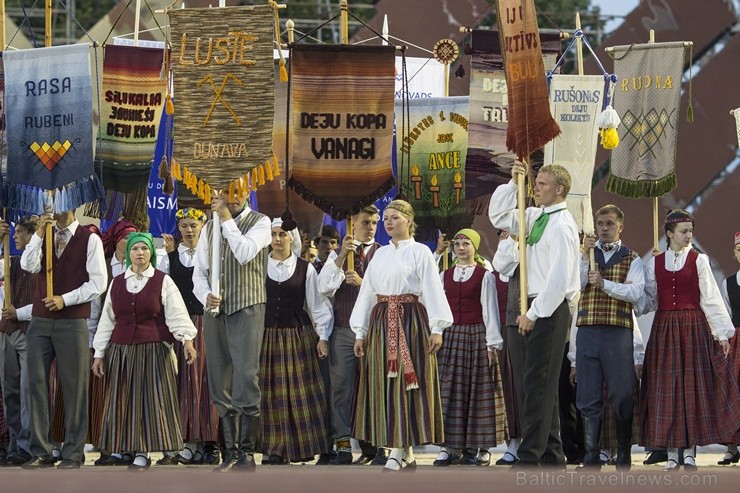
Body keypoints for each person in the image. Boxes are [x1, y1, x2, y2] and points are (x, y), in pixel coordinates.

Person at [488, 163, 580, 468]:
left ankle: (529, 456)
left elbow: (559, 279)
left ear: (559, 190)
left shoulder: (563, 225)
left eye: (541, 184)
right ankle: (553, 456)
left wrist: (534, 312)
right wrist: (515, 182)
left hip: (548, 311)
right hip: (531, 305)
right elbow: (499, 216)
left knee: (537, 385)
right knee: (537, 387)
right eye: (535, 183)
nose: (536, 188)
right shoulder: (533, 216)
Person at [350, 199, 452, 472]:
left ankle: (397, 448)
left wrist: (437, 328)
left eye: (394, 217)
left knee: (408, 385)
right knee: (386, 385)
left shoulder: (420, 252)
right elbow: (367, 293)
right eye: (386, 218)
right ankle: (402, 449)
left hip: (411, 322)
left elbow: (432, 289)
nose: (388, 222)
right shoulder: (380, 255)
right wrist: (360, 331)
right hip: (382, 322)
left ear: (408, 221)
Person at [639, 209, 740, 471]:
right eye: (683, 231)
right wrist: (627, 295)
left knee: (690, 389)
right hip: (664, 328)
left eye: (690, 231)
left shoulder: (699, 260)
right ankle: (672, 451)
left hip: (693, 328)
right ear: (669, 233)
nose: (688, 236)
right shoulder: (654, 263)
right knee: (667, 389)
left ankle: (689, 452)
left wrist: (722, 333)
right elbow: (649, 300)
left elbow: (710, 297)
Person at [92, 233, 197, 471]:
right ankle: (124, 447)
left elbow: (176, 314)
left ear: (151, 253)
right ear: (128, 253)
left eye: (145, 249)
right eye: (135, 249)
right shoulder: (117, 282)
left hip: (153, 351)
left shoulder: (162, 281)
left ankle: (143, 452)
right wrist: (99, 353)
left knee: (148, 402)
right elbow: (108, 320)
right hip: (121, 351)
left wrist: (187, 341)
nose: (140, 253)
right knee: (122, 400)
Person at [20, 208, 107, 469]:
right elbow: (28, 265)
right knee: (34, 384)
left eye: (59, 201)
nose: (53, 208)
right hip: (40, 321)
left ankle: (72, 453)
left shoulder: (89, 238)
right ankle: (41, 451)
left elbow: (98, 283)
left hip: (72, 322)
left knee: (74, 387)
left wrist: (65, 299)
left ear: (71, 204)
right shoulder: (43, 234)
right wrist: (37, 234)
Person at [192, 191, 271, 472]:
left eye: (237, 192)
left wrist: (225, 218)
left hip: (247, 305)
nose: (231, 198)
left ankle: (247, 452)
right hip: (216, 310)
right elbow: (198, 272)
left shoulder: (261, 222)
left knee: (246, 376)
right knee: (218, 377)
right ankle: (230, 451)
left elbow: (245, 252)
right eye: (226, 193)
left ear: (247, 192)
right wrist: (205, 295)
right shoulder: (210, 226)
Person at [573, 205, 645, 471]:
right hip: (588, 330)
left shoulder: (632, 258)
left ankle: (623, 453)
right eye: (600, 223)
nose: (604, 228)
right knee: (588, 395)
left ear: (620, 227)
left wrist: (606, 285)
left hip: (618, 332)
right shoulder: (586, 255)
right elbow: (574, 286)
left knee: (623, 393)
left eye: (609, 224)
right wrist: (583, 256)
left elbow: (637, 293)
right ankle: (592, 456)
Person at [317, 204, 388, 465]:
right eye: (364, 223)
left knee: (376, 388)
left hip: (374, 330)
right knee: (341, 390)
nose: (369, 228)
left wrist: (364, 284)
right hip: (343, 329)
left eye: (373, 223)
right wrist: (339, 257)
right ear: (352, 225)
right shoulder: (339, 255)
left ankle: (381, 444)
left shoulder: (384, 254)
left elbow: (393, 291)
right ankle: (344, 444)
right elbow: (323, 287)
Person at [260, 219, 333, 464]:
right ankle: (272, 449)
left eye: (282, 234)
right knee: (270, 392)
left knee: (299, 393)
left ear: (292, 237)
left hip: (297, 336)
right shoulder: (259, 265)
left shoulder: (305, 268)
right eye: (273, 234)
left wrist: (322, 337)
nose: (277, 239)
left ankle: (298, 448)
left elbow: (317, 304)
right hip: (266, 335)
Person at [434, 228, 506, 467]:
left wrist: (492, 343)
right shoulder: (445, 274)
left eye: (466, 243)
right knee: (450, 392)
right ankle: (450, 448)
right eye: (458, 243)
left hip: (477, 335)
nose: (461, 247)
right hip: (452, 336)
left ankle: (482, 448)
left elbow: (490, 310)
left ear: (475, 248)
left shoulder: (484, 275)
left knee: (479, 392)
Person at [158, 208, 220, 466]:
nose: (189, 230)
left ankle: (210, 442)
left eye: (193, 225)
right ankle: (186, 442)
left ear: (202, 227)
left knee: (207, 381)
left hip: (208, 324)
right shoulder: (169, 258)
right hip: (181, 328)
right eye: (184, 225)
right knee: (183, 383)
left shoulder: (212, 256)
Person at [0, 217, 40, 466]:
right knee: (10, 390)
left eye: (21, 232)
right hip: (6, 332)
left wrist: (20, 313)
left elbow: (44, 303)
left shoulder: (43, 265)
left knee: (27, 391)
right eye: (14, 232)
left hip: (29, 331)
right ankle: (14, 443)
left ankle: (26, 445)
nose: (15, 237)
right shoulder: (9, 263)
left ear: (33, 237)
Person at [719, 232, 740, 465]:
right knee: (734, 393)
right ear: (735, 254)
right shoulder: (729, 283)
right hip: (737, 341)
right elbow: (725, 316)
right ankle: (732, 446)